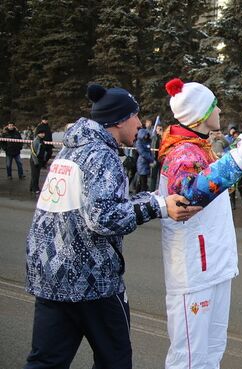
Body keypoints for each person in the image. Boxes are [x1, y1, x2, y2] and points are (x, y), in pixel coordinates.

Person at [24, 84, 197, 369]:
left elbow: (95, 204)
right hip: (92, 281)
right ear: (118, 120)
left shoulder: (71, 151)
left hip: (52, 276)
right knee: (114, 360)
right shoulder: (102, 155)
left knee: (46, 361)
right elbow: (103, 217)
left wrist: (153, 198)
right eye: (135, 115)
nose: (140, 123)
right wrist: (160, 207)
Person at [157, 78, 242, 369]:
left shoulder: (201, 147)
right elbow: (189, 196)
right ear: (202, 115)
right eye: (215, 106)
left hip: (214, 262)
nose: (219, 110)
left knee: (213, 347)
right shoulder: (182, 153)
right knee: (189, 354)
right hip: (193, 269)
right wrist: (240, 155)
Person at [135, 124, 154, 192]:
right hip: (142, 163)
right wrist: (151, 159)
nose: (146, 136)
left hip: (146, 163)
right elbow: (143, 153)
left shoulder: (147, 141)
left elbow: (149, 151)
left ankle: (137, 192)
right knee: (143, 181)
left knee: (142, 180)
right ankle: (142, 193)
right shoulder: (139, 142)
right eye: (145, 135)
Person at [29, 126, 48, 193]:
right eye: (41, 133)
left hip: (39, 160)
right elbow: (33, 153)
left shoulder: (41, 140)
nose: (43, 134)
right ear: (38, 134)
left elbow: (43, 151)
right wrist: (36, 162)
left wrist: (44, 160)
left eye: (43, 133)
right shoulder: (36, 141)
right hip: (35, 160)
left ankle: (31, 187)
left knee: (35, 175)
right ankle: (35, 189)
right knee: (35, 175)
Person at [150, 123, 164, 190]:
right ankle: (151, 190)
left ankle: (160, 189)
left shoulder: (163, 137)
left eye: (160, 129)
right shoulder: (154, 137)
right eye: (158, 129)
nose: (159, 130)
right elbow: (152, 148)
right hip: (154, 159)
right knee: (153, 176)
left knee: (161, 176)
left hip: (161, 159)